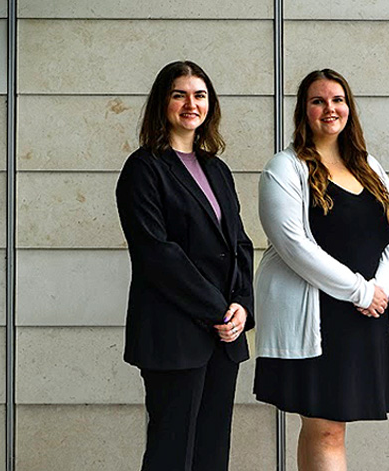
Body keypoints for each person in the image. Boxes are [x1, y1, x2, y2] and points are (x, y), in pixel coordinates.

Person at [253, 68, 389, 471]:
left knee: (323, 428)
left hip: (363, 312)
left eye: (337, 100)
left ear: (349, 109)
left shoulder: (368, 166)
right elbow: (293, 245)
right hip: (315, 316)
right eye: (318, 101)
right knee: (326, 429)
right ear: (304, 111)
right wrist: (360, 290)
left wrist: (381, 288)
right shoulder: (285, 167)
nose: (329, 108)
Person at [115, 60, 255, 471]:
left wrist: (241, 306)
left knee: (213, 452)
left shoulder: (217, 169)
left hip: (223, 337)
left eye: (199, 95)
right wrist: (218, 310)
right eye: (179, 94)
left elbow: (239, 245)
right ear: (163, 103)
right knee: (171, 452)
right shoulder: (144, 169)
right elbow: (157, 254)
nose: (190, 104)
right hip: (173, 334)